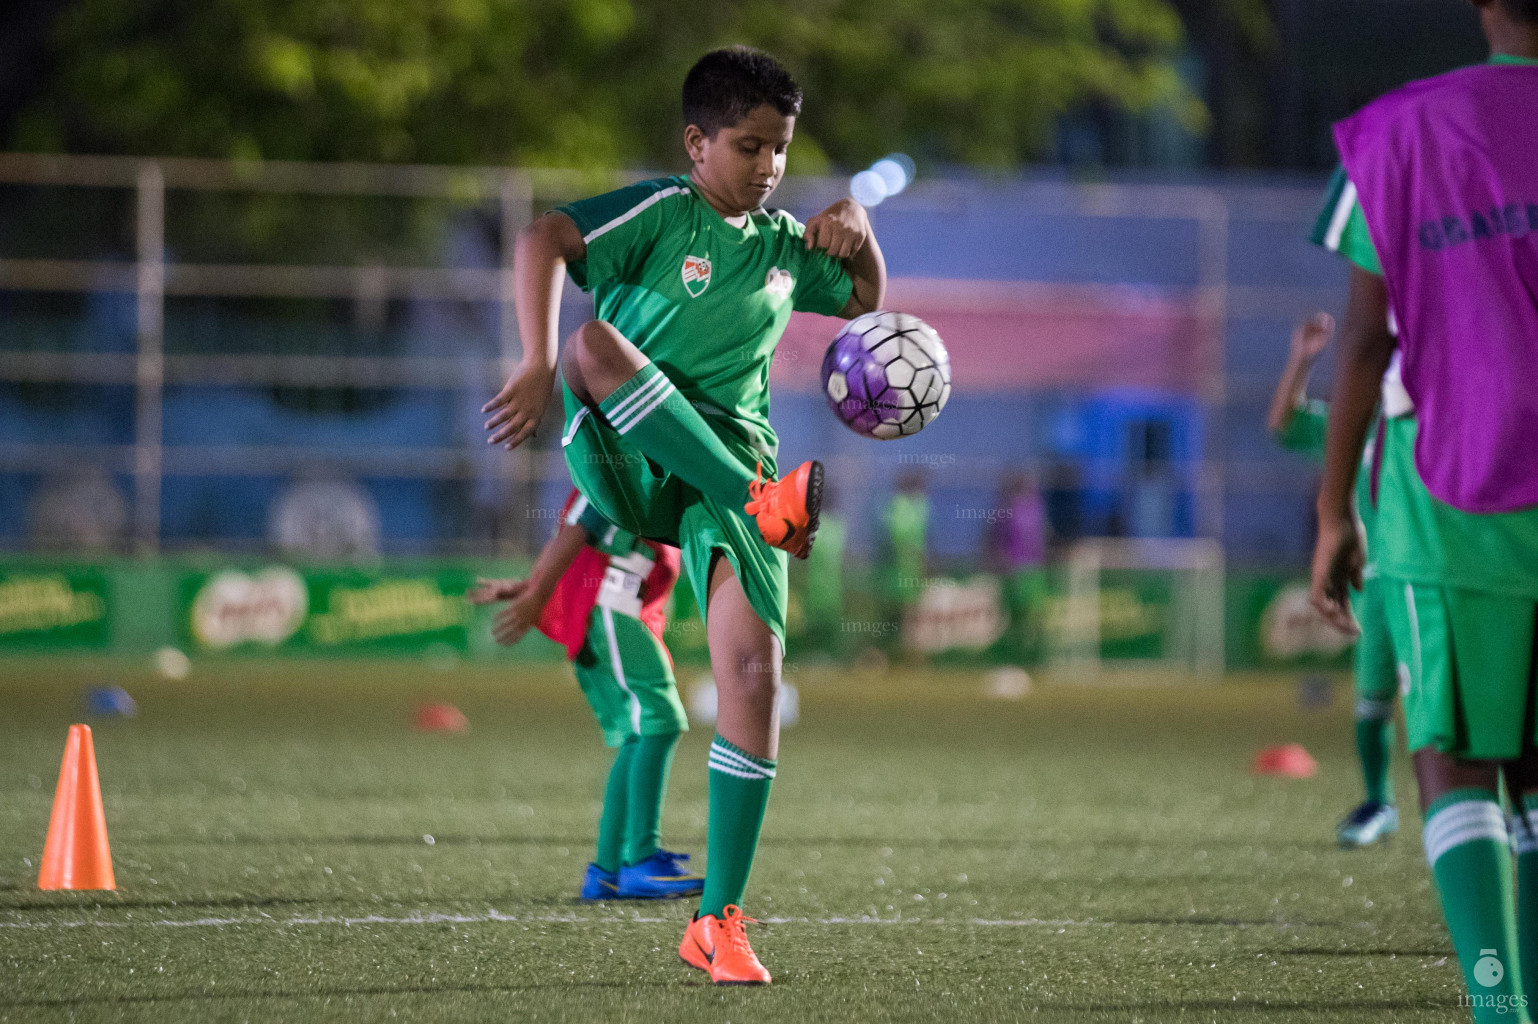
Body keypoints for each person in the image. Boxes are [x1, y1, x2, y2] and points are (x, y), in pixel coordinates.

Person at [481, 46, 885, 985]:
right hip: (627, 455)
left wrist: (858, 224)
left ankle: (718, 922)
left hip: (734, 477)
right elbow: (540, 238)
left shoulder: (786, 245)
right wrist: (534, 362)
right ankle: (754, 502)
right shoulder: (663, 211)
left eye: (781, 150)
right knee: (592, 341)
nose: (769, 167)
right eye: (748, 146)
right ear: (696, 143)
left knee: (753, 672)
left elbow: (866, 300)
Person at [1310, 4, 1538, 1018]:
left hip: (1450, 481)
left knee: (1451, 747)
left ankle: (1498, 1004)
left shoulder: (1397, 129)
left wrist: (1331, 513)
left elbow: (1362, 341)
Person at [468, 490, 700, 901]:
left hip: (618, 601)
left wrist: (530, 586)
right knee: (661, 720)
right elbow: (578, 526)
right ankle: (640, 858)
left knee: (638, 734)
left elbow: (579, 528)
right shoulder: (629, 448)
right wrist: (537, 595)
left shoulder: (632, 448)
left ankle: (607, 872)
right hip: (614, 603)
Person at [1268, 312, 1409, 848]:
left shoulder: (1434, 419)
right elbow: (1285, 422)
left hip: (1438, 574)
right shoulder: (1352, 426)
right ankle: (1380, 801)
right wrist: (1302, 359)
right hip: (1377, 582)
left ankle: (1494, 813)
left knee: (1452, 708)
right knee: (1372, 702)